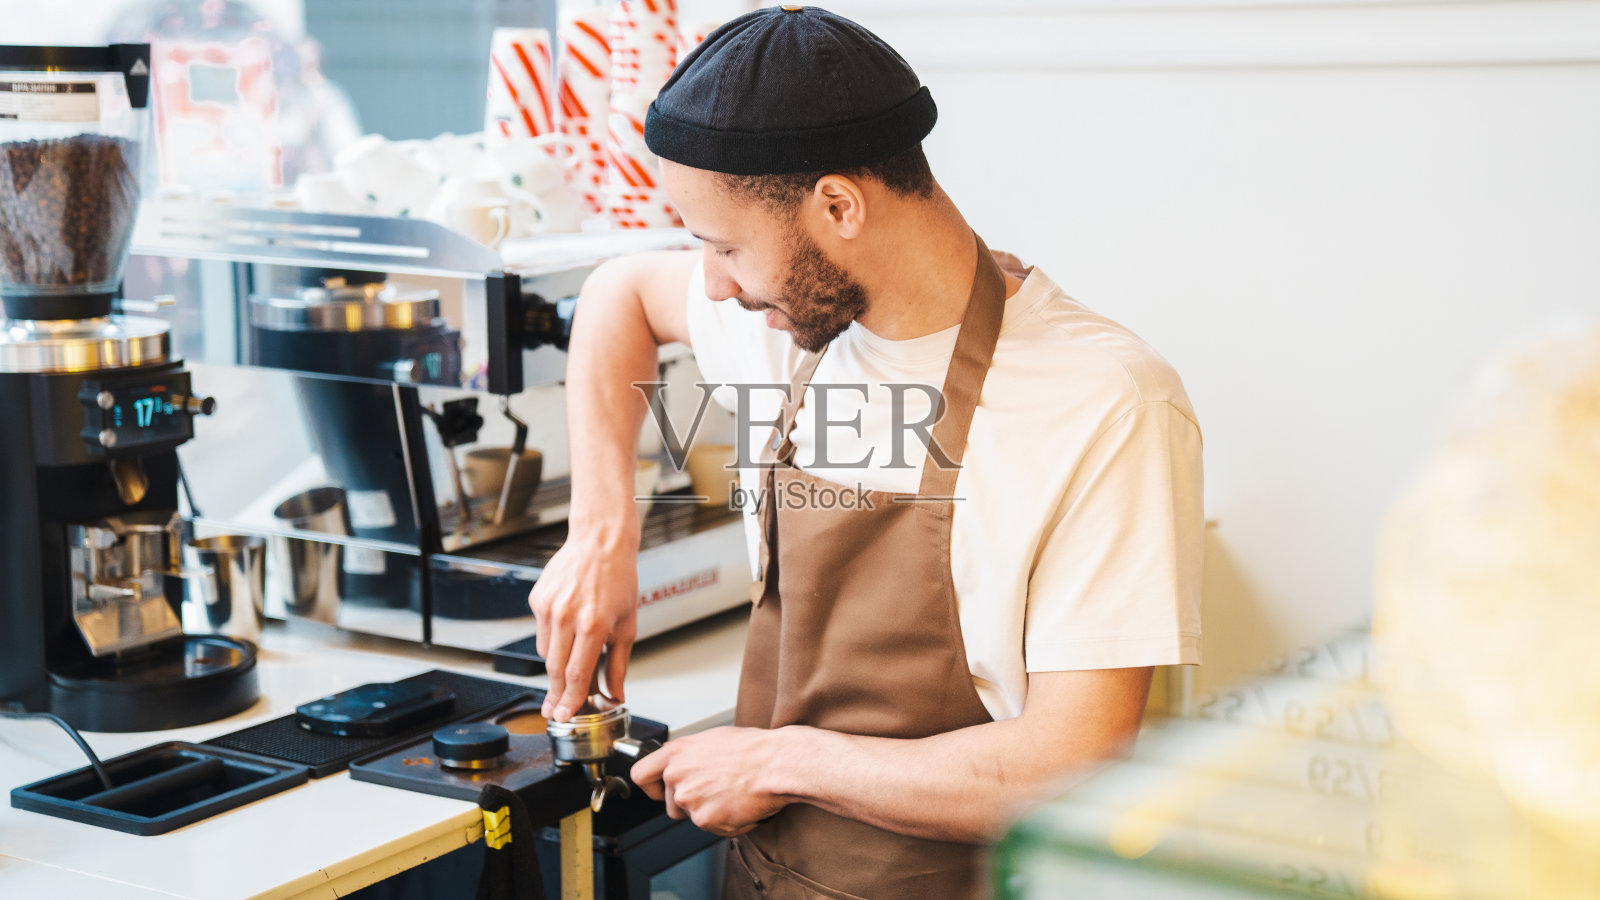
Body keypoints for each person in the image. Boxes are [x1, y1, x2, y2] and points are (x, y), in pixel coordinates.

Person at [528, 7, 1204, 898]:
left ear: (839, 205)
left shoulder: (1104, 402)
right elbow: (618, 297)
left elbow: (1069, 763)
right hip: (771, 878)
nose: (717, 287)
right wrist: (600, 536)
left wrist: (783, 763)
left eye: (727, 247)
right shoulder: (791, 328)